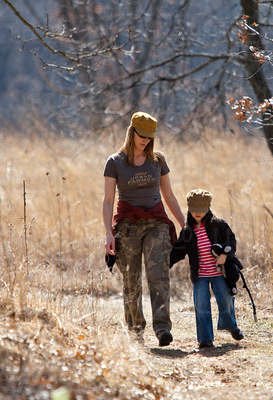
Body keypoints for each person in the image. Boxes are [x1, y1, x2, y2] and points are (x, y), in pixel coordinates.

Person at [103, 111, 185, 347]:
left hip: (156, 223)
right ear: (132, 132)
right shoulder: (115, 162)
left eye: (150, 137)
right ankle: (136, 331)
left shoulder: (158, 160)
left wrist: (184, 224)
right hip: (127, 225)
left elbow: (169, 195)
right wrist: (108, 233)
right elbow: (108, 201)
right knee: (131, 278)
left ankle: (162, 328)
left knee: (159, 274)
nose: (146, 141)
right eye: (142, 136)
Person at [170, 189, 244, 349]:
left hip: (220, 273)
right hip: (200, 275)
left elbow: (231, 240)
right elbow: (178, 252)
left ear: (208, 208)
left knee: (226, 300)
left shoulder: (219, 225)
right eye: (194, 209)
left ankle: (231, 326)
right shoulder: (187, 231)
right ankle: (205, 338)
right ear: (189, 209)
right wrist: (163, 263)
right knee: (201, 305)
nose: (198, 213)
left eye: (201, 209)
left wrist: (225, 255)